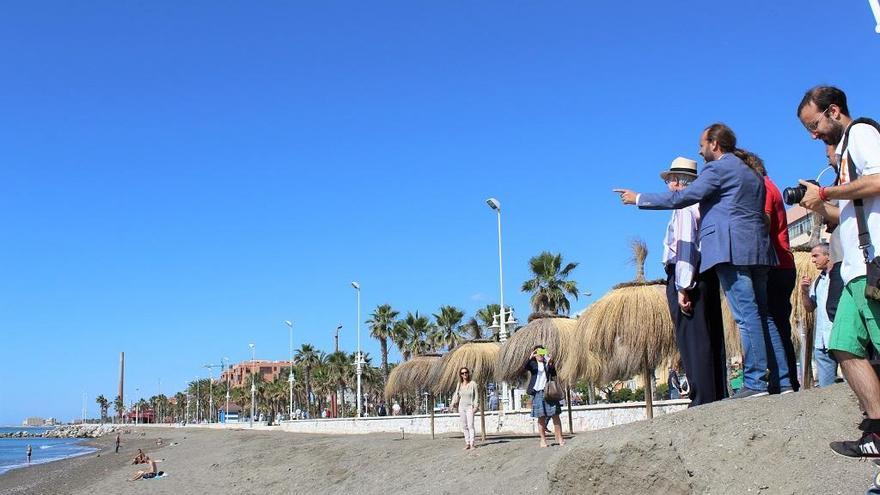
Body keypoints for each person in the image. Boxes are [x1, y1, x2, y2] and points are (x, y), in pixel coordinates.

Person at [616, 124, 781, 399]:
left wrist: (638, 199)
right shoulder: (751, 173)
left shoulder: (717, 170)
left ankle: (755, 382)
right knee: (762, 315)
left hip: (730, 250)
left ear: (715, 144)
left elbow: (684, 200)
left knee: (745, 315)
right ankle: (781, 379)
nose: (700, 150)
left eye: (702, 145)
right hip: (757, 249)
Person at [797, 85, 880, 457]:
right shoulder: (843, 157)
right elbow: (841, 214)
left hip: (873, 264)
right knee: (842, 346)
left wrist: (829, 193)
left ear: (833, 111)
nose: (813, 134)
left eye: (814, 125)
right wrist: (817, 203)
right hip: (853, 271)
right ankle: (877, 432)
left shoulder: (861, 132)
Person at [655, 156, 728, 406]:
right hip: (705, 272)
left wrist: (682, 287)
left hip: (688, 273)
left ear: (677, 182)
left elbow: (685, 247)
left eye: (670, 181)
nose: (668, 187)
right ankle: (715, 391)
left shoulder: (685, 208)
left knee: (692, 337)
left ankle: (702, 396)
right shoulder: (702, 205)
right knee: (709, 334)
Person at [737, 150, 799, 393]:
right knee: (777, 323)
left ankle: (783, 380)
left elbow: (763, 221)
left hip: (774, 264)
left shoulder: (761, 187)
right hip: (782, 263)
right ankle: (785, 380)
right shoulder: (770, 185)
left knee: (770, 321)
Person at [801, 243, 839, 387]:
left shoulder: (840, 276)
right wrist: (804, 291)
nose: (813, 260)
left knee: (852, 383)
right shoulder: (818, 281)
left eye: (816, 256)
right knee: (826, 389)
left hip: (839, 336)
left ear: (828, 255)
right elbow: (809, 307)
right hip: (821, 342)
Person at [524, 345, 565, 448]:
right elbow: (526, 367)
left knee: (555, 415)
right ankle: (543, 440)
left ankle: (560, 438)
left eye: (542, 352)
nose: (540, 354)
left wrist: (550, 363)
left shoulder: (547, 363)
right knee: (541, 417)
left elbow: (554, 373)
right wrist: (531, 357)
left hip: (549, 392)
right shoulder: (533, 364)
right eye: (538, 352)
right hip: (537, 392)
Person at [450, 367, 479, 450]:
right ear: (460, 375)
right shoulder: (459, 384)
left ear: (468, 373)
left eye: (466, 372)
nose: (464, 374)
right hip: (461, 407)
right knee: (464, 426)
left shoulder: (473, 384)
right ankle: (467, 443)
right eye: (462, 373)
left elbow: (476, 396)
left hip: (470, 407)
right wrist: (452, 404)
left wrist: (475, 406)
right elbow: (456, 395)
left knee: (470, 425)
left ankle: (472, 443)